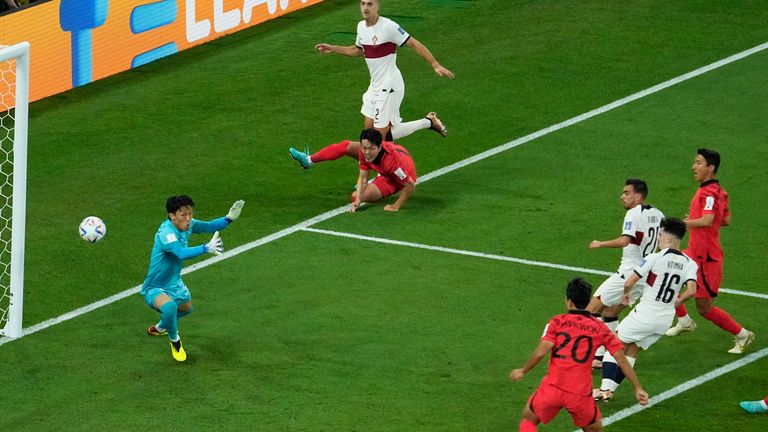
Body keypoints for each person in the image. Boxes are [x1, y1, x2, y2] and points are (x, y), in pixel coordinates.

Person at [289, 0, 453, 170]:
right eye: (362, 4)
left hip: (390, 86)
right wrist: (333, 48)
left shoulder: (389, 27)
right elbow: (358, 50)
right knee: (369, 141)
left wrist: (435, 64)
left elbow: (413, 43)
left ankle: (381, 174)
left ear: (378, 6)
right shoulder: (361, 27)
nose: (365, 8)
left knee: (375, 141)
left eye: (370, 4)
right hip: (374, 87)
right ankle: (428, 122)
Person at [509, 278, 648, 432]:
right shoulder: (599, 327)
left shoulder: (557, 322)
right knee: (595, 430)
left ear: (569, 302)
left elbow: (543, 350)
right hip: (580, 393)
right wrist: (637, 388)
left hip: (553, 387)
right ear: (588, 301)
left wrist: (523, 370)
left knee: (528, 421)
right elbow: (621, 359)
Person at [594, 218, 697, 401]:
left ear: (667, 237)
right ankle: (609, 391)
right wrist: (678, 302)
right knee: (633, 349)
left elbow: (630, 282)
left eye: (659, 234)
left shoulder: (654, 258)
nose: (658, 238)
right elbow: (692, 290)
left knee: (614, 344)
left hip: (645, 314)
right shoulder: (690, 263)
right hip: (665, 320)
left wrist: (626, 295)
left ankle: (604, 390)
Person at [665, 148, 754, 354]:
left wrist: (688, 222)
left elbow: (708, 220)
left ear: (710, 167)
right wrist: (698, 221)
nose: (693, 167)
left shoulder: (710, 193)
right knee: (667, 275)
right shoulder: (719, 191)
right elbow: (726, 220)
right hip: (695, 252)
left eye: (698, 163)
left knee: (704, 308)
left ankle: (742, 334)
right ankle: (684, 320)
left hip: (705, 259)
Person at [140, 195, 245, 362]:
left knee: (186, 309)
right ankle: (175, 342)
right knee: (169, 308)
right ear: (172, 216)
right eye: (183, 214)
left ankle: (161, 327)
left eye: (190, 213)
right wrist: (205, 248)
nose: (188, 218)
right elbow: (180, 252)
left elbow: (209, 226)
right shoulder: (166, 234)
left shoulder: (188, 225)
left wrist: (229, 218)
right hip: (155, 286)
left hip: (173, 282)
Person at [586, 179, 664, 368]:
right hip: (645, 275)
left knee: (590, 311)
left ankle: (594, 354)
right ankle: (603, 357)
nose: (622, 197)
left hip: (629, 273)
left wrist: (600, 243)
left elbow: (625, 240)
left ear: (638, 196)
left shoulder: (633, 213)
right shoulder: (659, 214)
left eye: (626, 193)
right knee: (611, 312)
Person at [350, 128, 416, 212]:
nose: (367, 152)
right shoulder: (362, 152)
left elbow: (410, 185)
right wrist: (358, 200)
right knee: (355, 196)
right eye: (364, 148)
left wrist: (395, 206)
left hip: (405, 173)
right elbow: (363, 178)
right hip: (387, 174)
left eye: (371, 148)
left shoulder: (391, 162)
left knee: (402, 183)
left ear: (380, 147)